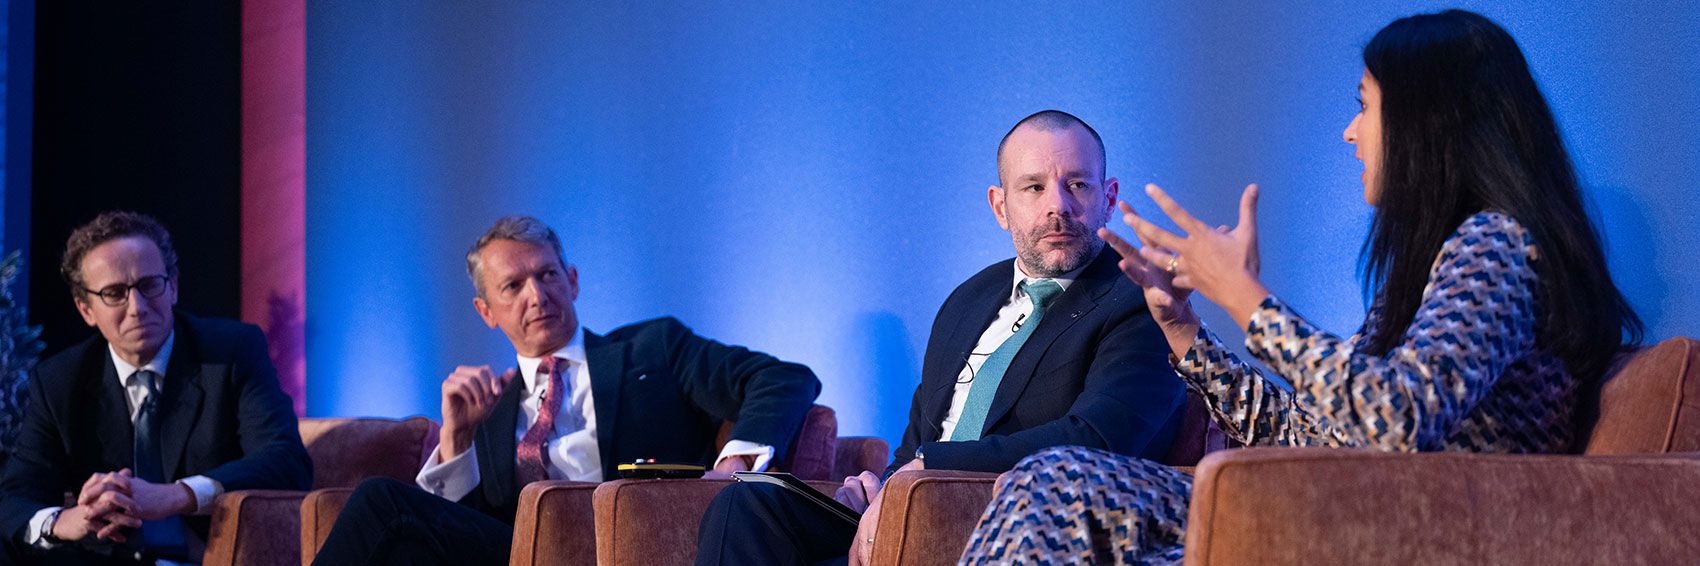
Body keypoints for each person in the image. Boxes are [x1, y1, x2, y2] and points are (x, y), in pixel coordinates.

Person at [959, 9, 1645, 564]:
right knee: (1050, 479)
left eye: (1365, 108)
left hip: (1404, 529)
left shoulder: (1495, 247)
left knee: (1055, 492)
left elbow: (1398, 419)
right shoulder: (1432, 267)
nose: (1350, 132)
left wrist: (1246, 298)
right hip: (1338, 502)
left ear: (1427, 126)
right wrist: (1183, 328)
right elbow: (1312, 432)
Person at [694, 110, 1188, 565]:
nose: (1057, 205)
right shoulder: (968, 300)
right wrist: (878, 488)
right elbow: (918, 439)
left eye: (1077, 184)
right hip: (910, 510)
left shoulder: (1142, 301)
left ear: (1109, 198)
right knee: (747, 504)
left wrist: (929, 468)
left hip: (1015, 524)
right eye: (1033, 187)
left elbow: (1096, 440)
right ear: (1000, 207)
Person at [311, 215, 821, 565]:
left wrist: (736, 462)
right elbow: (456, 531)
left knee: (379, 500)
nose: (537, 295)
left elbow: (784, 378)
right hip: (520, 553)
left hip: (630, 542)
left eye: (548, 274)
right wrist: (457, 442)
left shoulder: (652, 349)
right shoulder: (488, 407)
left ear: (572, 280)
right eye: (513, 286)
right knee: (394, 529)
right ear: (486, 312)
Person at [0, 211, 312, 564]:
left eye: (149, 285)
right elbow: (15, 498)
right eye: (114, 293)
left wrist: (177, 495)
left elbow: (286, 461)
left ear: (173, 286)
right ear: (86, 309)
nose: (137, 308)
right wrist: (66, 521)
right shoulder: (59, 380)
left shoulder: (231, 353)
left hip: (204, 556)